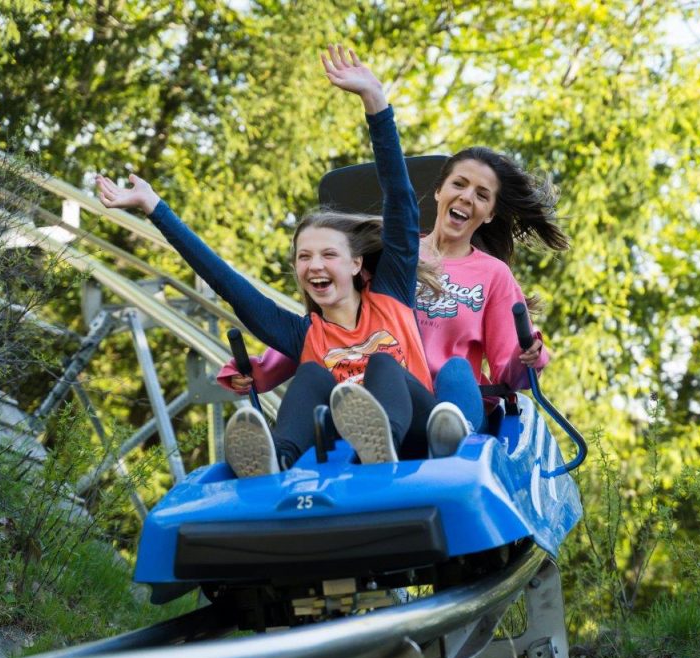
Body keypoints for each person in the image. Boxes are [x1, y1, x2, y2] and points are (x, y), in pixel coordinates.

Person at [97, 46, 477, 477]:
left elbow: (402, 207)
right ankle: (273, 458)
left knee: (382, 364)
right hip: (345, 445)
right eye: (304, 257)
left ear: (355, 264)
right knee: (313, 376)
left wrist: (376, 103)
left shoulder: (390, 295)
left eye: (328, 254)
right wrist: (155, 208)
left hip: (414, 437)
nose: (315, 265)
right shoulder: (304, 335)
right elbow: (227, 282)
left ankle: (382, 441)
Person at [220, 131, 570, 457]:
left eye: (481, 194)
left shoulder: (493, 275)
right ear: (438, 191)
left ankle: (451, 446)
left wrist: (531, 356)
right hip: (384, 397)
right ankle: (371, 441)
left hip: (451, 406)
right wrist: (262, 369)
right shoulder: (392, 258)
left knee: (456, 370)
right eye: (459, 184)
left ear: (490, 212)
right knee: (372, 365)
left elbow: (510, 370)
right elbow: (333, 327)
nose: (466, 197)